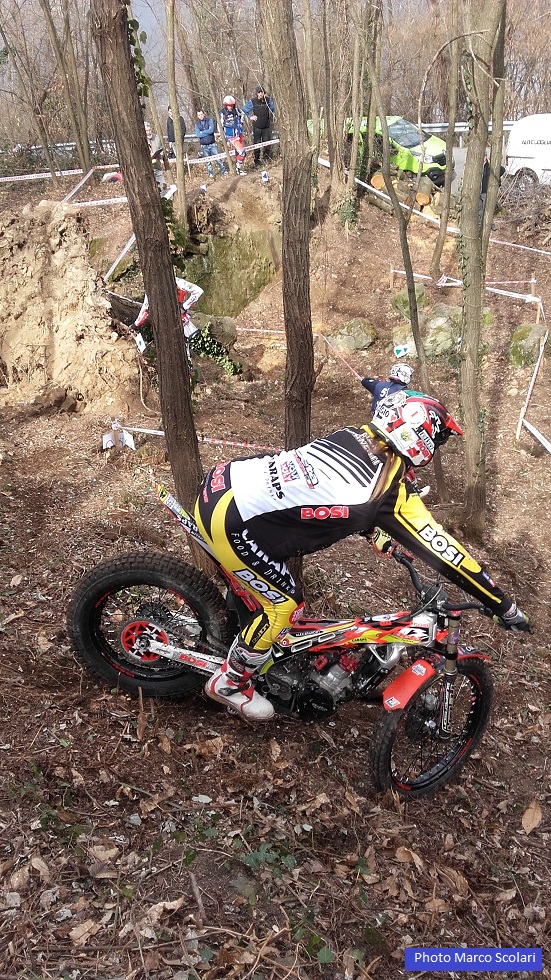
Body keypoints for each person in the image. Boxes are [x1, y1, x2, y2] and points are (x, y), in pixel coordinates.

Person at [194, 390, 530, 721]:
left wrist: (375, 532)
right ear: (420, 438)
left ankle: (241, 632)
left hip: (224, 483)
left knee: (270, 588)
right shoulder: (389, 491)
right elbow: (446, 552)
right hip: (232, 522)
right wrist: (502, 605)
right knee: (284, 606)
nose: (436, 449)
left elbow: (327, 494)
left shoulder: (355, 435)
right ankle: (230, 682)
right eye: (437, 441)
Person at [242, 85, 275, 168]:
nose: (261, 94)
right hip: (257, 126)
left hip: (266, 126)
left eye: (262, 92)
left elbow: (273, 109)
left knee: (267, 143)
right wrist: (250, 117)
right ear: (257, 93)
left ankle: (266, 159)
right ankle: (257, 161)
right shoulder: (253, 101)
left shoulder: (268, 100)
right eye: (259, 92)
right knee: (257, 144)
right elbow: (244, 109)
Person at [195, 108, 228, 178]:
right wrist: (206, 132)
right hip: (204, 145)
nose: (201, 116)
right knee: (208, 161)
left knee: (218, 158)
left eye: (201, 114)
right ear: (197, 116)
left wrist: (202, 132)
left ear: (204, 114)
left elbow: (211, 130)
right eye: (199, 115)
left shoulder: (209, 120)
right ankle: (211, 174)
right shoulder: (197, 124)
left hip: (212, 144)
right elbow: (198, 135)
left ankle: (223, 171)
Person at [220, 95, 246, 175]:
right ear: (225, 105)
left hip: (238, 134)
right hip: (230, 136)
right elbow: (220, 127)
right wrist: (225, 139)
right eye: (228, 105)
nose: (230, 107)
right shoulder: (222, 113)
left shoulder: (237, 110)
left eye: (231, 105)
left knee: (239, 153)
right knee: (242, 151)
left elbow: (243, 114)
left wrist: (241, 123)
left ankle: (239, 169)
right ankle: (238, 168)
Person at [479, 154, 505, 227]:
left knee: (486, 209)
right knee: (479, 210)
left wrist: (491, 163)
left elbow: (502, 170)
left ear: (485, 157)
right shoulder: (477, 166)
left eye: (483, 157)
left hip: (485, 191)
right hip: (478, 191)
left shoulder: (489, 166)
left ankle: (489, 224)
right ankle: (480, 224)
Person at [144, 121, 166, 190]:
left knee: (162, 186)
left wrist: (159, 155)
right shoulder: (142, 139)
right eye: (146, 131)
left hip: (157, 165)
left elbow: (161, 150)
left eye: (149, 130)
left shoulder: (156, 137)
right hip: (147, 167)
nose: (148, 132)